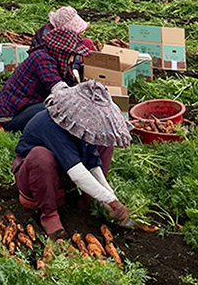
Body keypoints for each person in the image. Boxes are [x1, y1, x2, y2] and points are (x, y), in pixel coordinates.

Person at [12, 79, 131, 239]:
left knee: (104, 144)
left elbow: (93, 164)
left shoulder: (82, 126)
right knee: (41, 156)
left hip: (62, 176)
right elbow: (77, 173)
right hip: (35, 182)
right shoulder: (49, 123)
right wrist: (108, 198)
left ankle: (86, 199)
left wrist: (110, 199)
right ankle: (49, 215)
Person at [0, 29, 91, 132]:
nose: (71, 60)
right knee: (58, 107)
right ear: (63, 52)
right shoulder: (43, 60)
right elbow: (60, 91)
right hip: (11, 118)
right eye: (72, 55)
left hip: (28, 107)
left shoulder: (51, 58)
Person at [30, 6, 95, 83]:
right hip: (51, 67)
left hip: (64, 59)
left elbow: (77, 44)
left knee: (87, 42)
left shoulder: (61, 34)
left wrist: (74, 54)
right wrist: (71, 55)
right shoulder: (47, 37)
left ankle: (85, 70)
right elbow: (60, 56)